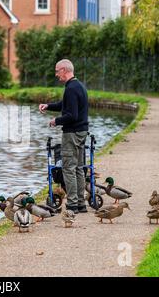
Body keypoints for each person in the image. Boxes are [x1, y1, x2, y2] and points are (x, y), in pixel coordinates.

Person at [39, 59, 89, 214]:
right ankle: (81, 204)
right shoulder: (77, 86)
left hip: (72, 133)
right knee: (79, 168)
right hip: (81, 132)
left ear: (64, 70)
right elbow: (65, 105)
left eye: (57, 71)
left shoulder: (71, 89)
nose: (56, 74)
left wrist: (56, 121)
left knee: (68, 168)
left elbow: (71, 115)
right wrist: (49, 106)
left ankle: (73, 204)